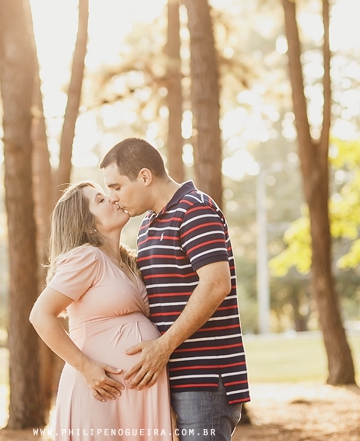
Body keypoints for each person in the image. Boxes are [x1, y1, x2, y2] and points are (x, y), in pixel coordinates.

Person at [100, 138, 250, 441]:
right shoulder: (148, 224)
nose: (112, 198)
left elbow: (216, 284)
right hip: (172, 378)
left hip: (204, 380)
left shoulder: (195, 209)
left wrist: (163, 347)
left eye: (116, 187)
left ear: (144, 176)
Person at [29, 180, 173, 436]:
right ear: (87, 223)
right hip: (101, 391)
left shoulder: (128, 263)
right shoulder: (87, 257)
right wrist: (85, 366)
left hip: (135, 396)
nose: (113, 199)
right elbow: (41, 315)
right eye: (100, 200)